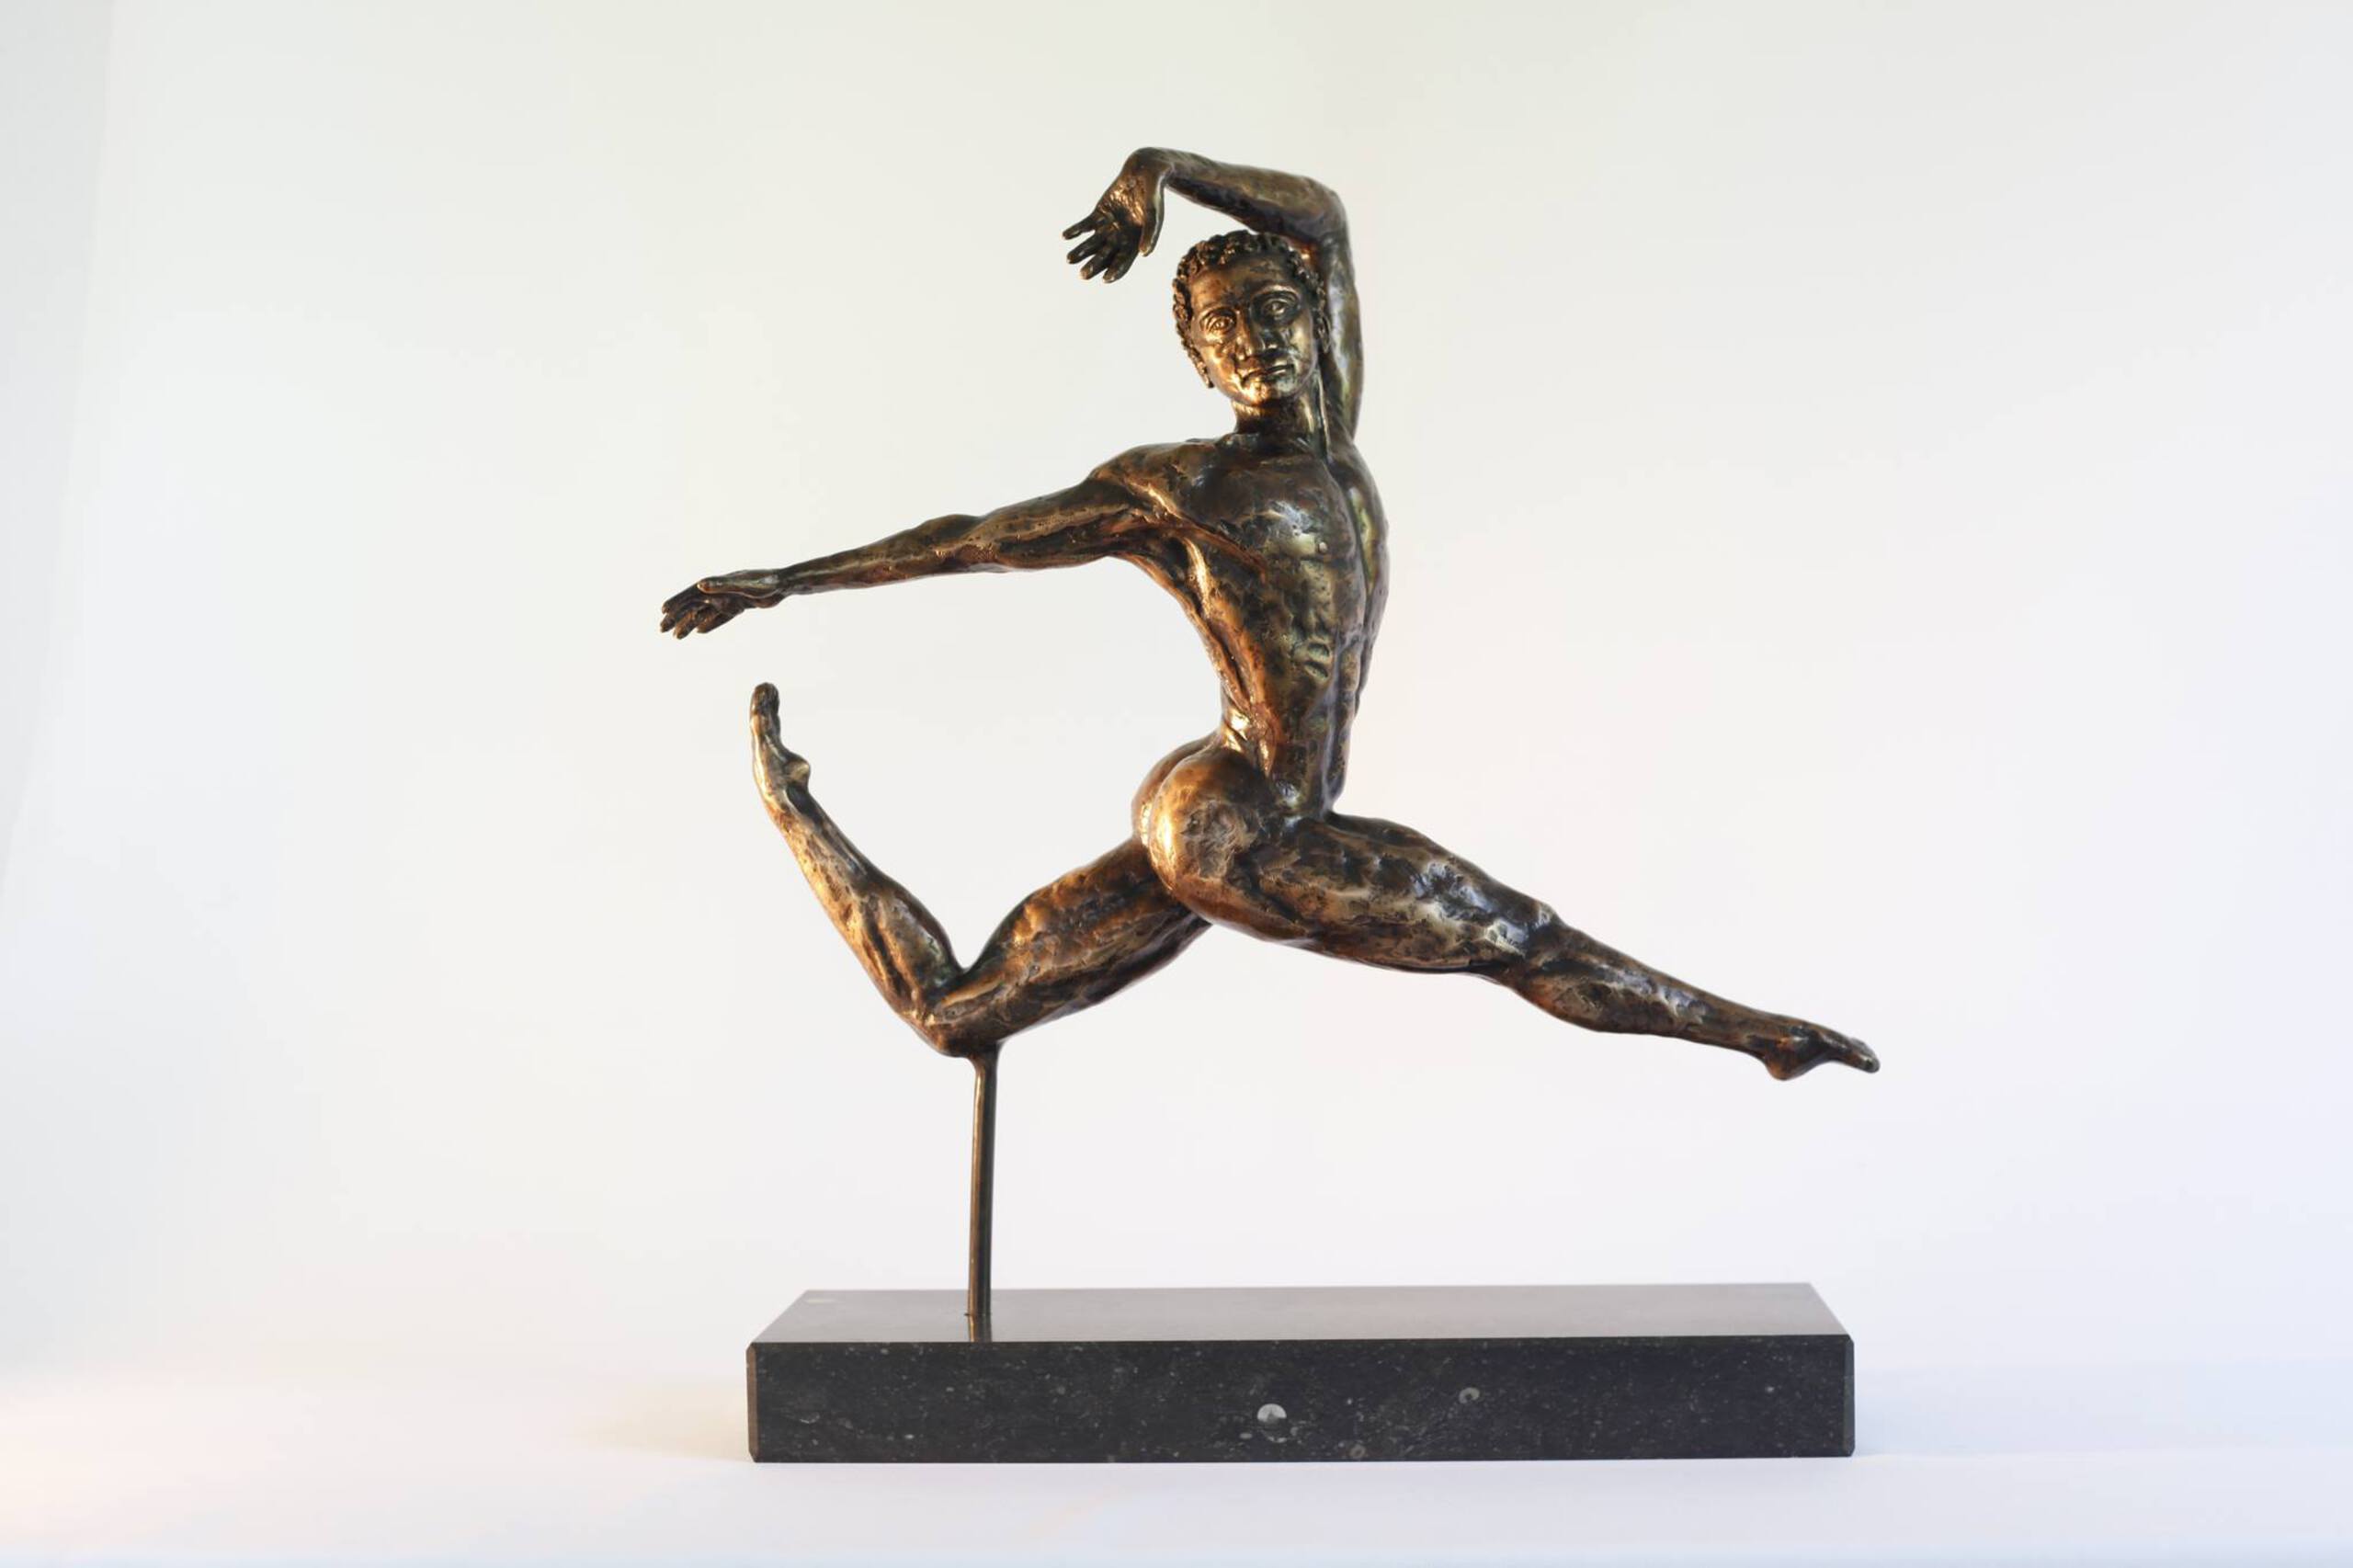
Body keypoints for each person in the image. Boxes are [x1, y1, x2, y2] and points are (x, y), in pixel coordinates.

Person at [659, 148, 1877, 1081]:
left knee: (958, 1011)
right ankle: (1754, 1036)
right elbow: (976, 539)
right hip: (1242, 828)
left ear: (1313, 321)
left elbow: (1322, 218)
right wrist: (786, 579)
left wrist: (1165, 169)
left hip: (1224, 808)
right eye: (1224, 327)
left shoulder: (1332, 439)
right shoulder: (1179, 490)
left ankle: (792, 804)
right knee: (1523, 939)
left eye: (1276, 312)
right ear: (1198, 360)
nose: (1257, 341)